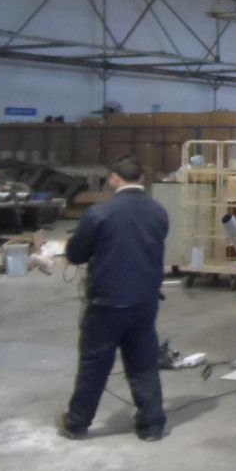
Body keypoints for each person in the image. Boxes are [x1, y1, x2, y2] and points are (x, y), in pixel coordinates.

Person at [56, 156, 169, 441]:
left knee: (94, 366)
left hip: (106, 304)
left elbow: (75, 254)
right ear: (141, 179)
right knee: (143, 364)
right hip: (144, 302)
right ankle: (152, 425)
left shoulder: (100, 212)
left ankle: (77, 423)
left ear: (114, 179)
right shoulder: (158, 212)